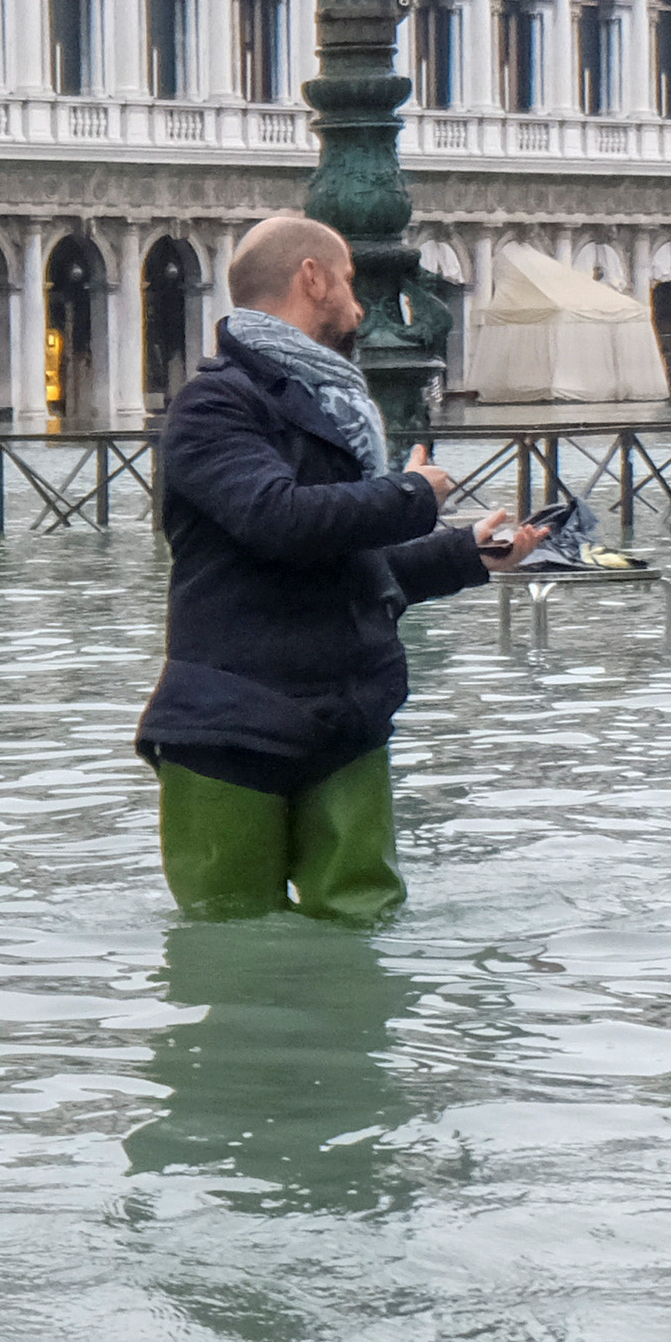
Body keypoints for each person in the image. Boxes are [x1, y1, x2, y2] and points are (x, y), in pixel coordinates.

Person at [134, 210, 534, 920]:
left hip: (345, 713)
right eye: (349, 280)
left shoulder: (340, 407)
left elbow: (352, 571)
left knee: (364, 921)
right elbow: (278, 519)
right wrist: (412, 495)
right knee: (231, 943)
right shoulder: (213, 405)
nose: (358, 302)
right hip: (234, 722)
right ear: (311, 279)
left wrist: (467, 554)